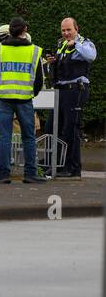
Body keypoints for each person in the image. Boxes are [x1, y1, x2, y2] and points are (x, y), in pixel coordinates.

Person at [0, 16, 45, 184]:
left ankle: (3, 174)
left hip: (4, 99)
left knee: (5, 137)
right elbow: (39, 80)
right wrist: (30, 93)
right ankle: (30, 174)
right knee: (29, 137)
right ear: (24, 30)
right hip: (25, 99)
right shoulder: (34, 50)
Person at [47, 17, 95, 179]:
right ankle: (57, 164)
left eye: (69, 30)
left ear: (76, 29)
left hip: (75, 90)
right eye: (63, 30)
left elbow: (91, 56)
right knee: (52, 128)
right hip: (60, 91)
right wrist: (51, 62)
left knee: (70, 129)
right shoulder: (61, 45)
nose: (66, 33)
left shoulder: (85, 43)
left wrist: (76, 44)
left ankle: (73, 168)